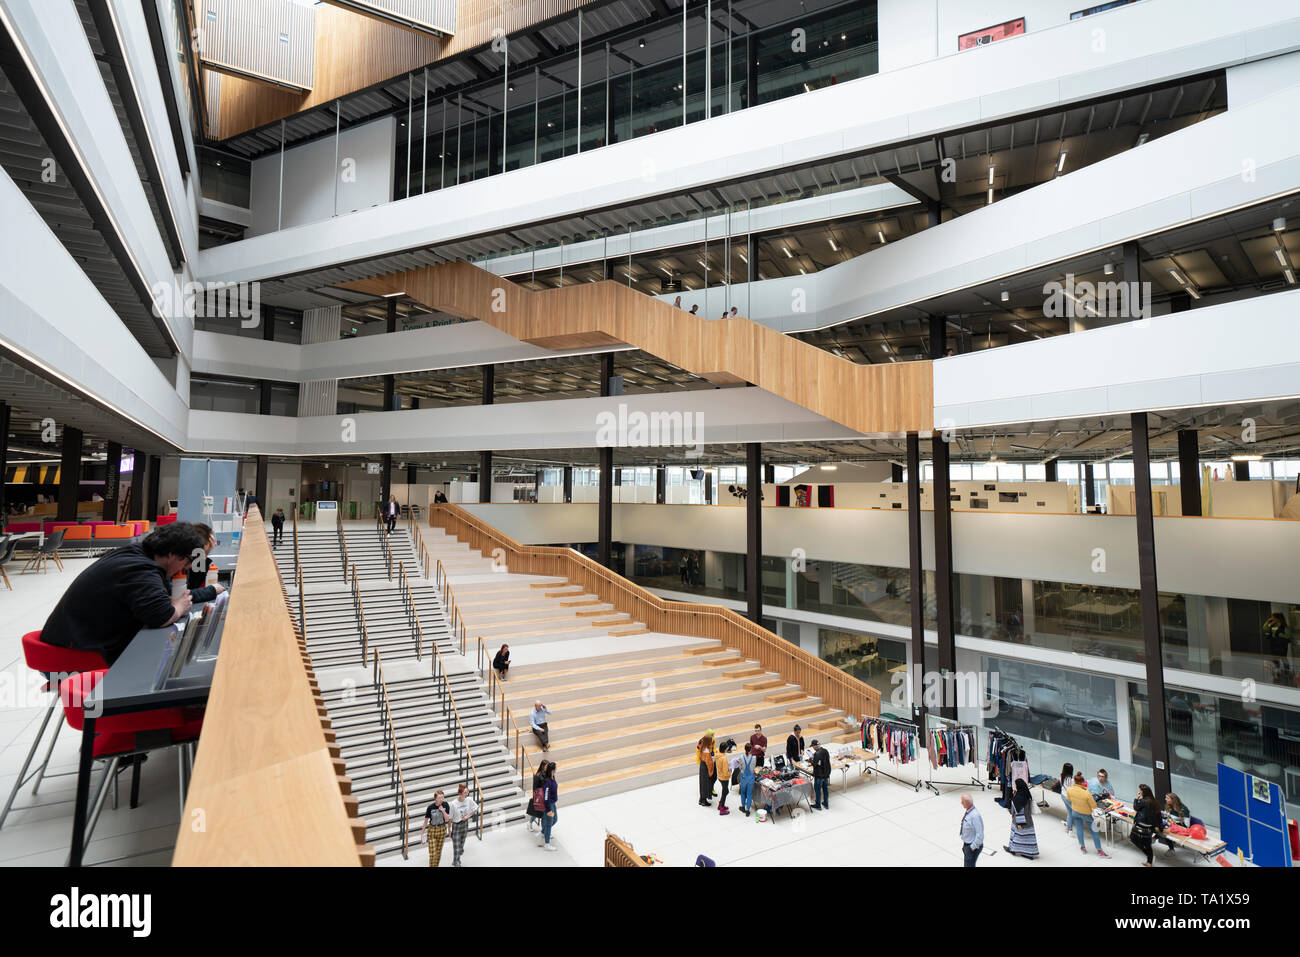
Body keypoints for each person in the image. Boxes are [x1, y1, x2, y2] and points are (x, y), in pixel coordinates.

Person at [42, 522, 205, 665]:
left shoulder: (135, 553)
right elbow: (161, 616)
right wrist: (179, 606)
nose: (187, 567)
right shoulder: (141, 569)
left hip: (68, 639)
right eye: (188, 561)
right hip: (74, 652)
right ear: (172, 554)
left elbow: (158, 598)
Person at [1066, 772, 1110, 858]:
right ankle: (1099, 851)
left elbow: (1069, 799)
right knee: (1094, 831)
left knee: (1079, 829)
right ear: (1083, 783)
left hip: (1075, 812)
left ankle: (1082, 847)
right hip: (1086, 814)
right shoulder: (1087, 793)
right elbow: (1093, 806)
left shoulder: (1069, 789)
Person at [182, 524, 227, 605]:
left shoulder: (189, 559)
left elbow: (192, 585)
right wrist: (211, 591)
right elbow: (181, 597)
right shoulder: (179, 563)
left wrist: (205, 554)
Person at [1130, 784, 1165, 867]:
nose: (1139, 792)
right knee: (1147, 844)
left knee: (1133, 839)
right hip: (1150, 827)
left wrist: (1136, 798)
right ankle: (1149, 861)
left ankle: (1149, 856)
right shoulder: (1154, 801)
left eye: (1140, 791)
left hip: (1140, 825)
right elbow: (1158, 815)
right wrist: (1160, 827)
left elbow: (1136, 808)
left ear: (1144, 792)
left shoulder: (1143, 801)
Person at [1004, 778, 1039, 859]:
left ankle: (1013, 850)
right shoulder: (1026, 794)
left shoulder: (1019, 798)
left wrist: (1020, 823)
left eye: (1016, 785)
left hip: (1020, 821)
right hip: (1028, 820)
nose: (1015, 786)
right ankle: (1028, 853)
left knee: (1017, 836)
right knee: (1027, 838)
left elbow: (1019, 811)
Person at [448, 783, 479, 867]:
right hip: (456, 826)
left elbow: (476, 808)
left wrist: (468, 816)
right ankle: (456, 862)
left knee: (461, 844)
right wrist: (449, 829)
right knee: (456, 846)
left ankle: (459, 851)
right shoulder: (453, 804)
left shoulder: (469, 800)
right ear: (460, 794)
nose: (467, 794)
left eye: (467, 792)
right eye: (465, 792)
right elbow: (450, 818)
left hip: (465, 825)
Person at [422, 790, 451, 866]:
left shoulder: (445, 805)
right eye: (439, 797)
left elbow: (447, 819)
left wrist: (443, 811)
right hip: (432, 830)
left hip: (442, 829)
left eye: (442, 797)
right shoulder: (430, 807)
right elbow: (425, 821)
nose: (441, 799)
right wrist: (422, 834)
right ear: (435, 799)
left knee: (438, 853)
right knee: (433, 854)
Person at [538, 762, 559, 851]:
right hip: (549, 805)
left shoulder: (552, 777)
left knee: (555, 819)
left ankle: (543, 832)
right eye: (556, 769)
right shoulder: (547, 782)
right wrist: (549, 809)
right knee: (549, 823)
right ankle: (547, 844)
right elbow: (546, 797)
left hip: (553, 803)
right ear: (553, 770)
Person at [959, 794, 984, 867]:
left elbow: (980, 834)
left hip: (972, 846)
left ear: (967, 803)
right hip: (967, 844)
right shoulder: (969, 812)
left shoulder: (975, 816)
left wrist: (972, 847)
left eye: (962, 802)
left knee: (969, 865)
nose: (961, 803)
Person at [526, 761, 549, 833]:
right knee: (538, 813)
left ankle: (544, 830)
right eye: (546, 766)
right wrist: (536, 798)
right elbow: (535, 788)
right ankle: (530, 823)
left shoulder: (547, 774)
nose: (547, 768)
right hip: (540, 797)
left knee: (542, 814)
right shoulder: (537, 776)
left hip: (546, 796)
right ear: (542, 766)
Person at [810, 740, 832, 811]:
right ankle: (826, 803)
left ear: (815, 746)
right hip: (826, 774)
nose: (813, 748)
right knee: (825, 789)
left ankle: (818, 805)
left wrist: (811, 760)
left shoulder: (817, 754)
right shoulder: (825, 750)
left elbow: (814, 764)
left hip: (819, 775)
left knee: (817, 790)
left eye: (813, 747)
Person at [715, 739, 735, 815]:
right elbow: (725, 771)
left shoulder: (718, 755)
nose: (728, 749)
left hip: (719, 776)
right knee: (725, 792)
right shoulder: (723, 758)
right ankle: (721, 808)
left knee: (725, 791)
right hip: (724, 778)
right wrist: (730, 772)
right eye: (727, 748)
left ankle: (720, 805)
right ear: (725, 749)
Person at [697, 732, 716, 807]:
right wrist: (711, 771)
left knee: (702, 783)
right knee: (705, 784)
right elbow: (710, 763)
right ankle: (704, 801)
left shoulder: (702, 748)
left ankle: (701, 799)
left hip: (702, 767)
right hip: (706, 769)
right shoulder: (707, 752)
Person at [737, 743, 756, 816]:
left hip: (743, 777)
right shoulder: (754, 758)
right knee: (749, 794)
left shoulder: (741, 757)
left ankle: (742, 806)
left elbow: (740, 767)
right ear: (751, 750)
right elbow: (753, 767)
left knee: (743, 792)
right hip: (751, 777)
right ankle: (748, 810)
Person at [1058, 762, 1076, 832]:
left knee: (1069, 811)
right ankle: (1069, 828)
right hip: (1068, 797)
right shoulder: (1070, 780)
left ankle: (1068, 825)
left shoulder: (1061, 776)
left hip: (1063, 795)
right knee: (1072, 812)